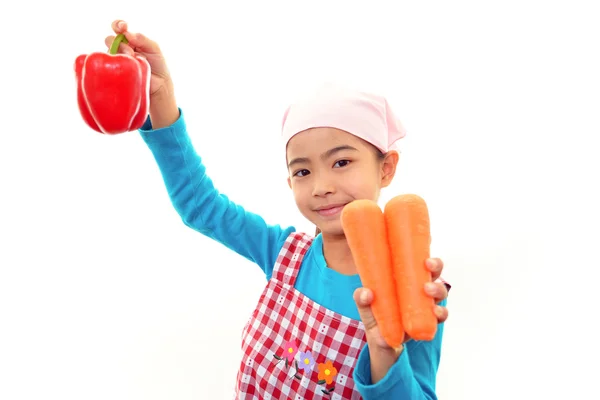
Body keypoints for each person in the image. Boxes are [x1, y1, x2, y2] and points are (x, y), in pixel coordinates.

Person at [103, 19, 451, 400]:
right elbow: (200, 205)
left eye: (341, 162)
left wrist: (385, 353)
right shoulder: (284, 254)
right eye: (302, 170)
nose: (321, 187)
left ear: (386, 168)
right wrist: (162, 98)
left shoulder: (414, 291)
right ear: (289, 182)